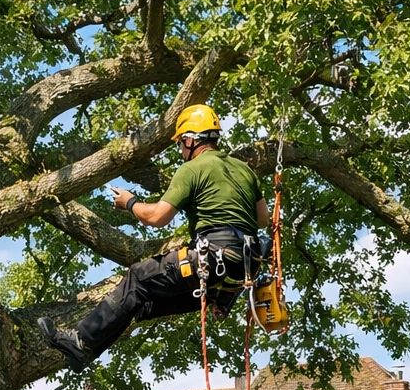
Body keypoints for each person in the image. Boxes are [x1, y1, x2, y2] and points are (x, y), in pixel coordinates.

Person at [38, 104, 271, 368]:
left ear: (190, 139)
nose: (182, 151)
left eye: (181, 144)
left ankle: (81, 339)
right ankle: (84, 353)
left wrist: (130, 202)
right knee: (141, 303)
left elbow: (157, 217)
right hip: (239, 272)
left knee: (137, 277)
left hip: (210, 263)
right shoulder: (245, 171)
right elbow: (262, 219)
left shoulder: (192, 169)